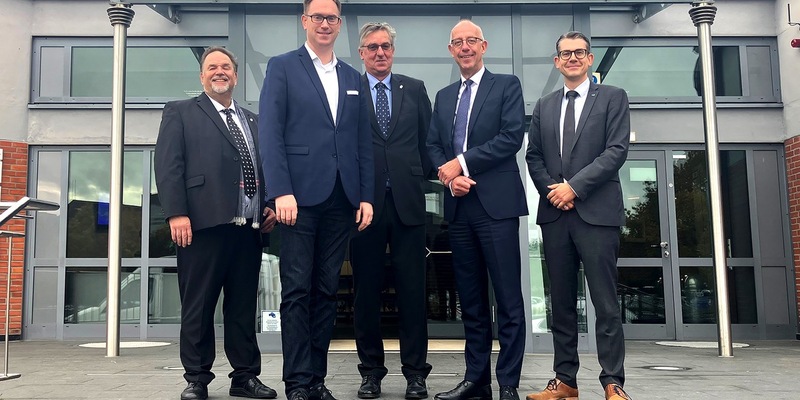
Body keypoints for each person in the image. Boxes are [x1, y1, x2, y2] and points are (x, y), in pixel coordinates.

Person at [257, 1, 374, 400]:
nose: (325, 24)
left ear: (340, 25)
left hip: (342, 198)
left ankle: (318, 379)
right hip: (298, 200)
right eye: (317, 17)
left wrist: (366, 197)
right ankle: (297, 381)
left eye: (332, 18)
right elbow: (270, 133)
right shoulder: (283, 66)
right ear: (305, 21)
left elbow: (362, 143)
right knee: (296, 292)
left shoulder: (352, 75)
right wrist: (280, 191)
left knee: (326, 290)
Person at [154, 46, 278, 400]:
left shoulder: (252, 119)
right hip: (201, 226)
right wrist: (177, 212)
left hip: (248, 229)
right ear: (202, 75)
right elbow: (168, 165)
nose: (219, 71)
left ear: (235, 76)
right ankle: (196, 378)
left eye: (226, 67)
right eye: (212, 67)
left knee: (242, 307)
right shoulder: (180, 112)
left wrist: (267, 204)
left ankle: (244, 377)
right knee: (199, 305)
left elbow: (263, 166)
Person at [524, 31, 632, 400]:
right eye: (565, 53)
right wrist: (555, 191)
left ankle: (613, 381)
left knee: (605, 303)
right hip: (556, 216)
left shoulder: (614, 98)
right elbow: (533, 156)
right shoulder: (544, 105)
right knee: (562, 303)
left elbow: (616, 150)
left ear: (590, 58)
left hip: (597, 216)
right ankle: (565, 380)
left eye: (579, 52)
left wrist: (575, 187)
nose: (572, 58)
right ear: (557, 61)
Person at [427, 19, 528, 400]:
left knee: (507, 299)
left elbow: (510, 137)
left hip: (497, 208)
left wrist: (462, 164)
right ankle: (476, 380)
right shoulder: (443, 96)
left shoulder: (507, 86)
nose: (465, 47)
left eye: (472, 41)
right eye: (458, 42)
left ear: (483, 46)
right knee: (470, 300)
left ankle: (508, 383)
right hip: (459, 208)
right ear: (451, 50)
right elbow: (434, 147)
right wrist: (450, 177)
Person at [349, 21, 433, 400]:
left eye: (385, 46)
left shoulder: (414, 89)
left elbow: (427, 143)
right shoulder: (348, 90)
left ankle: (416, 374)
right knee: (365, 293)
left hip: (409, 204)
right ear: (361, 52)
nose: (379, 52)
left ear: (392, 51)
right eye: (372, 47)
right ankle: (371, 372)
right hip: (364, 207)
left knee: (413, 293)